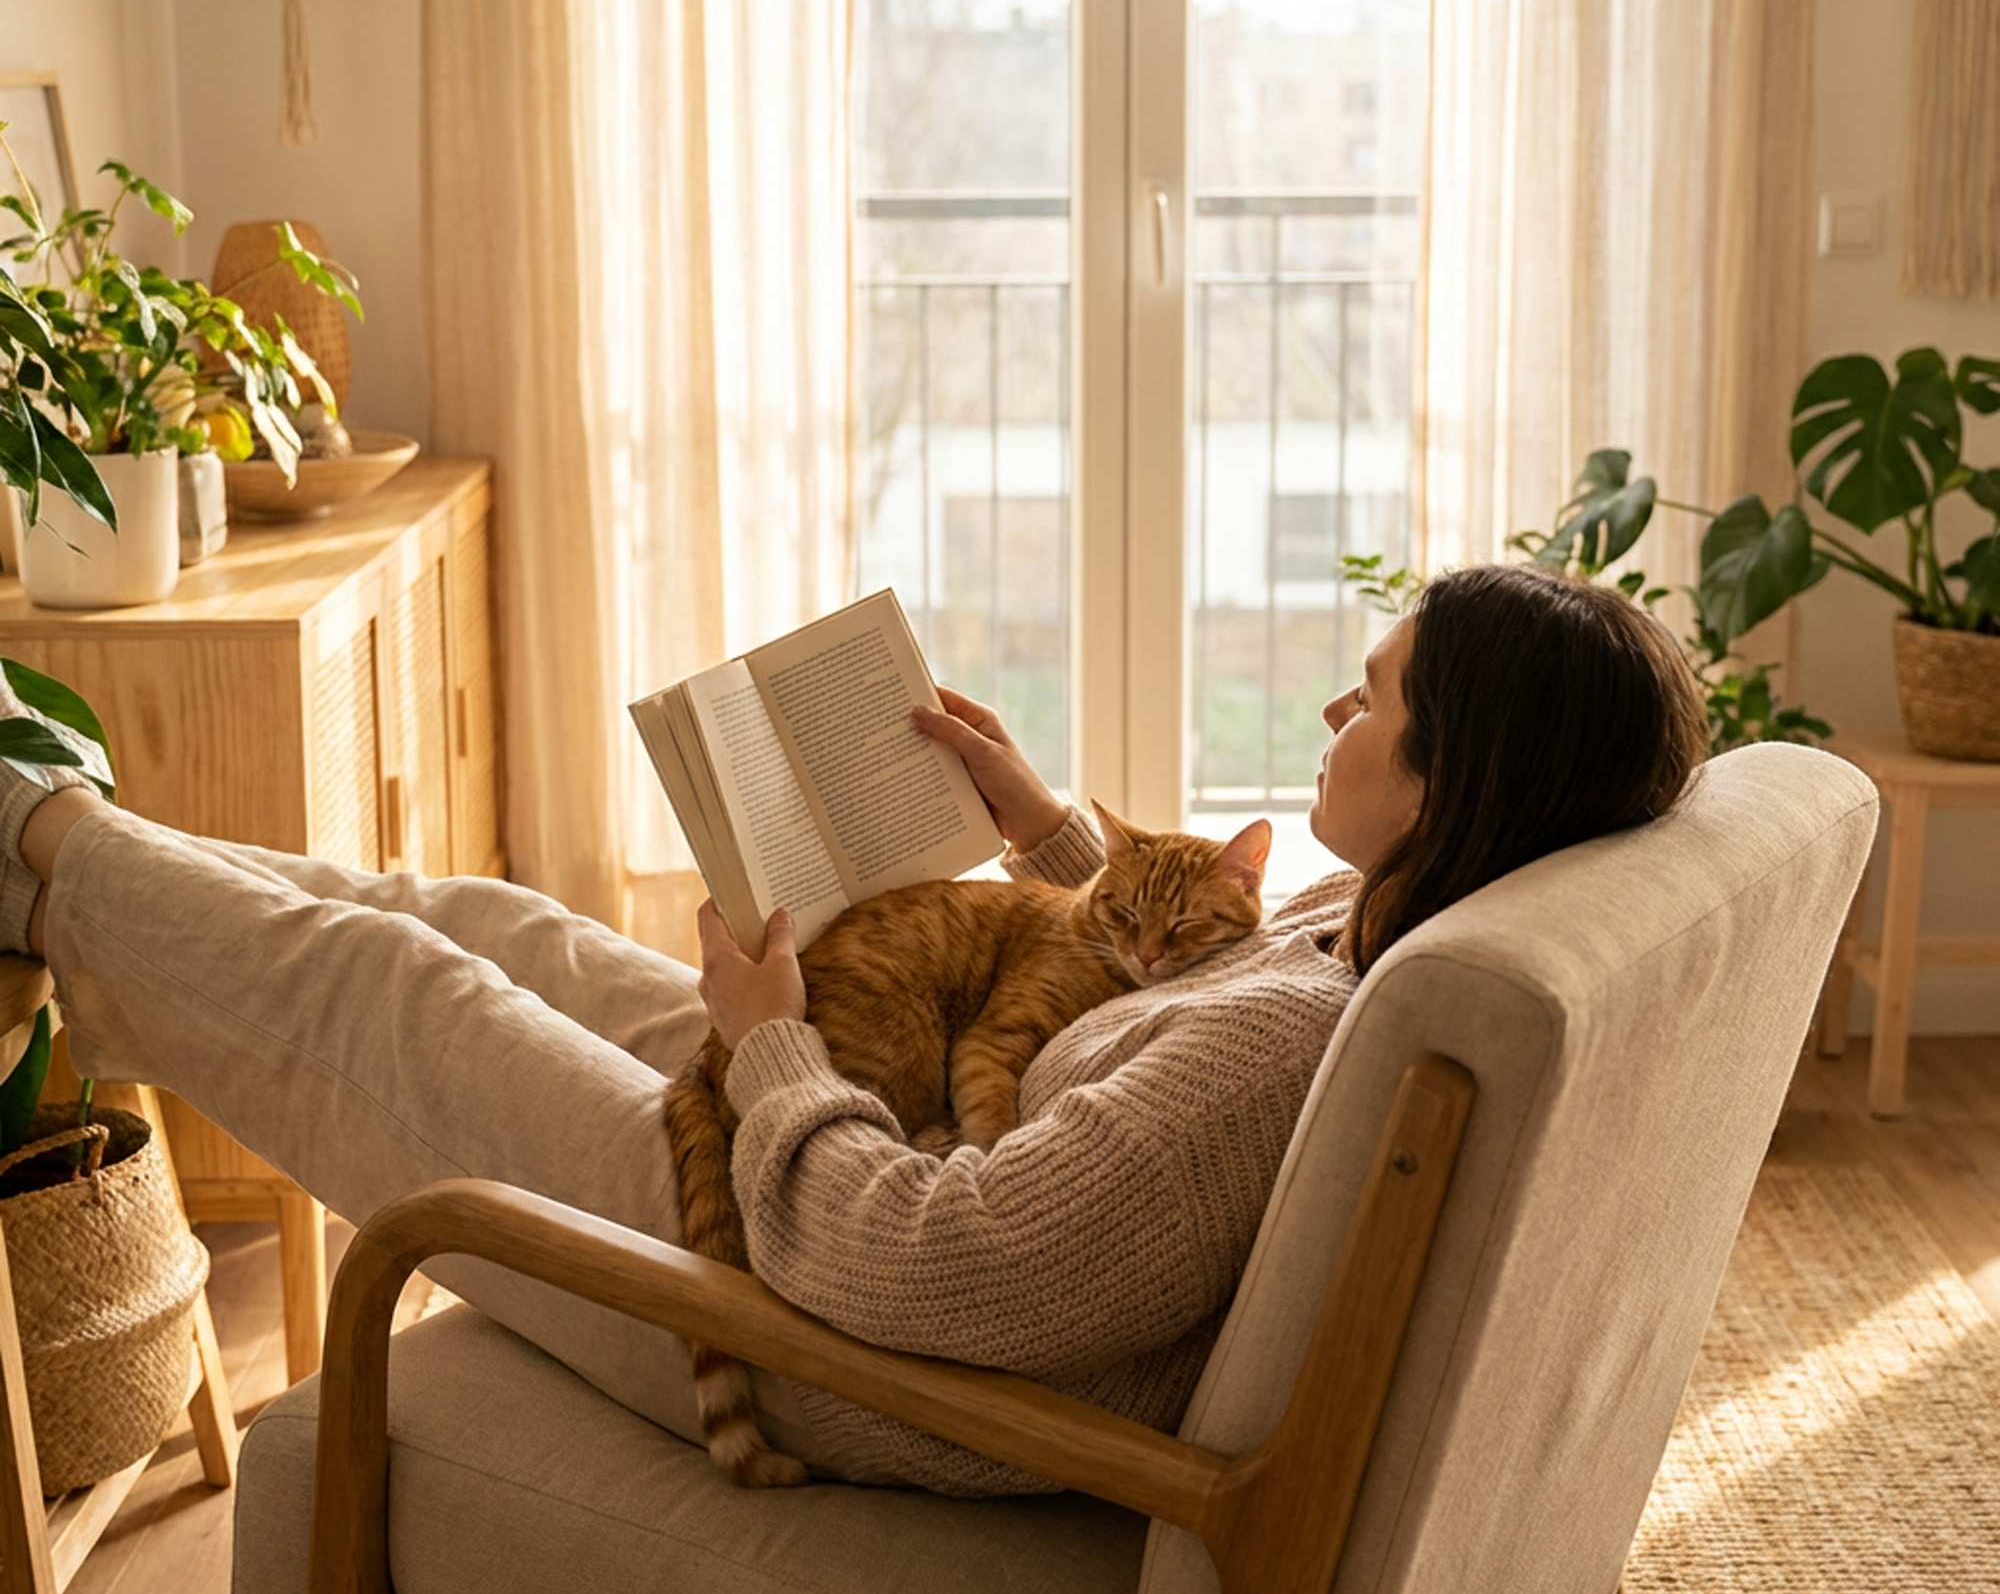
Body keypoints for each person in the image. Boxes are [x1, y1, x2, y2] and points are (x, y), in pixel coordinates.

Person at [0, 562, 1706, 1495]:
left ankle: (34, 840)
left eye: (1378, 694)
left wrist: (770, 1052)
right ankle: (58, 848)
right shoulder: (1382, 921)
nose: (1339, 705)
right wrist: (1051, 839)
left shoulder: (1276, 1066)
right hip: (864, 1162)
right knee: (496, 927)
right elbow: (1191, 980)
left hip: (837, 1325)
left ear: (1456, 781)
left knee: (399, 1000)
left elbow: (940, 1272)